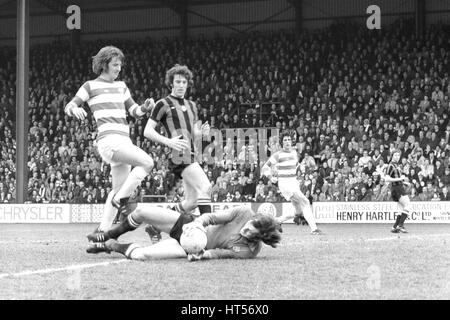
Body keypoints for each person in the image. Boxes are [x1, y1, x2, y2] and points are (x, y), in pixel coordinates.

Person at [64, 46, 155, 246]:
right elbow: (69, 105)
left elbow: (135, 110)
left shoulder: (122, 86)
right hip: (109, 140)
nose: (119, 68)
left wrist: (145, 108)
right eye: (115, 64)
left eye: (120, 64)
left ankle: (102, 235)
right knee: (148, 162)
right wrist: (75, 110)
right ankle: (121, 200)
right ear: (104, 65)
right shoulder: (90, 86)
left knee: (117, 189)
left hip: (124, 140)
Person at [143, 64, 211, 240]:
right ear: (171, 84)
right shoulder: (163, 104)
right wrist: (169, 142)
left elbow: (194, 135)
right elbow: (147, 131)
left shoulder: (192, 106)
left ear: (188, 84)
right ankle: (209, 230)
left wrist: (202, 134)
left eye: (184, 82)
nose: (181, 85)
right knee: (206, 187)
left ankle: (155, 225)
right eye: (177, 82)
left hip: (191, 155)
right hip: (179, 156)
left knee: (191, 202)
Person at [86, 204, 281, 261]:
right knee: (141, 211)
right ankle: (109, 234)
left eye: (250, 232)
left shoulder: (250, 251)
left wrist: (202, 255)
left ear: (259, 238)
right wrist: (196, 223)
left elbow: (221, 253)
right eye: (248, 225)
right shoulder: (244, 212)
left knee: (143, 255)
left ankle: (113, 245)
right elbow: (211, 218)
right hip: (188, 226)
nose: (245, 229)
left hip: (191, 247)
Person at [261, 131, 322, 235]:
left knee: (298, 211)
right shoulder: (278, 155)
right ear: (281, 142)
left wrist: (302, 167)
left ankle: (277, 221)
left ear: (292, 141)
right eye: (285, 140)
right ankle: (314, 229)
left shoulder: (294, 153)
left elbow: (296, 164)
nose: (287, 142)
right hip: (285, 183)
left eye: (289, 139)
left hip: (294, 182)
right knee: (305, 202)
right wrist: (270, 176)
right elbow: (265, 167)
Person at [384, 149, 411, 233]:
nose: (397, 157)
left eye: (398, 155)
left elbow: (397, 179)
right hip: (397, 188)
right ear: (392, 156)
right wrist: (400, 179)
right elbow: (387, 178)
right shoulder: (391, 165)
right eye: (395, 155)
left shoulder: (397, 165)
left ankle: (394, 227)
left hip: (398, 187)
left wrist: (405, 182)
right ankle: (400, 225)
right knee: (407, 205)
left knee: (401, 209)